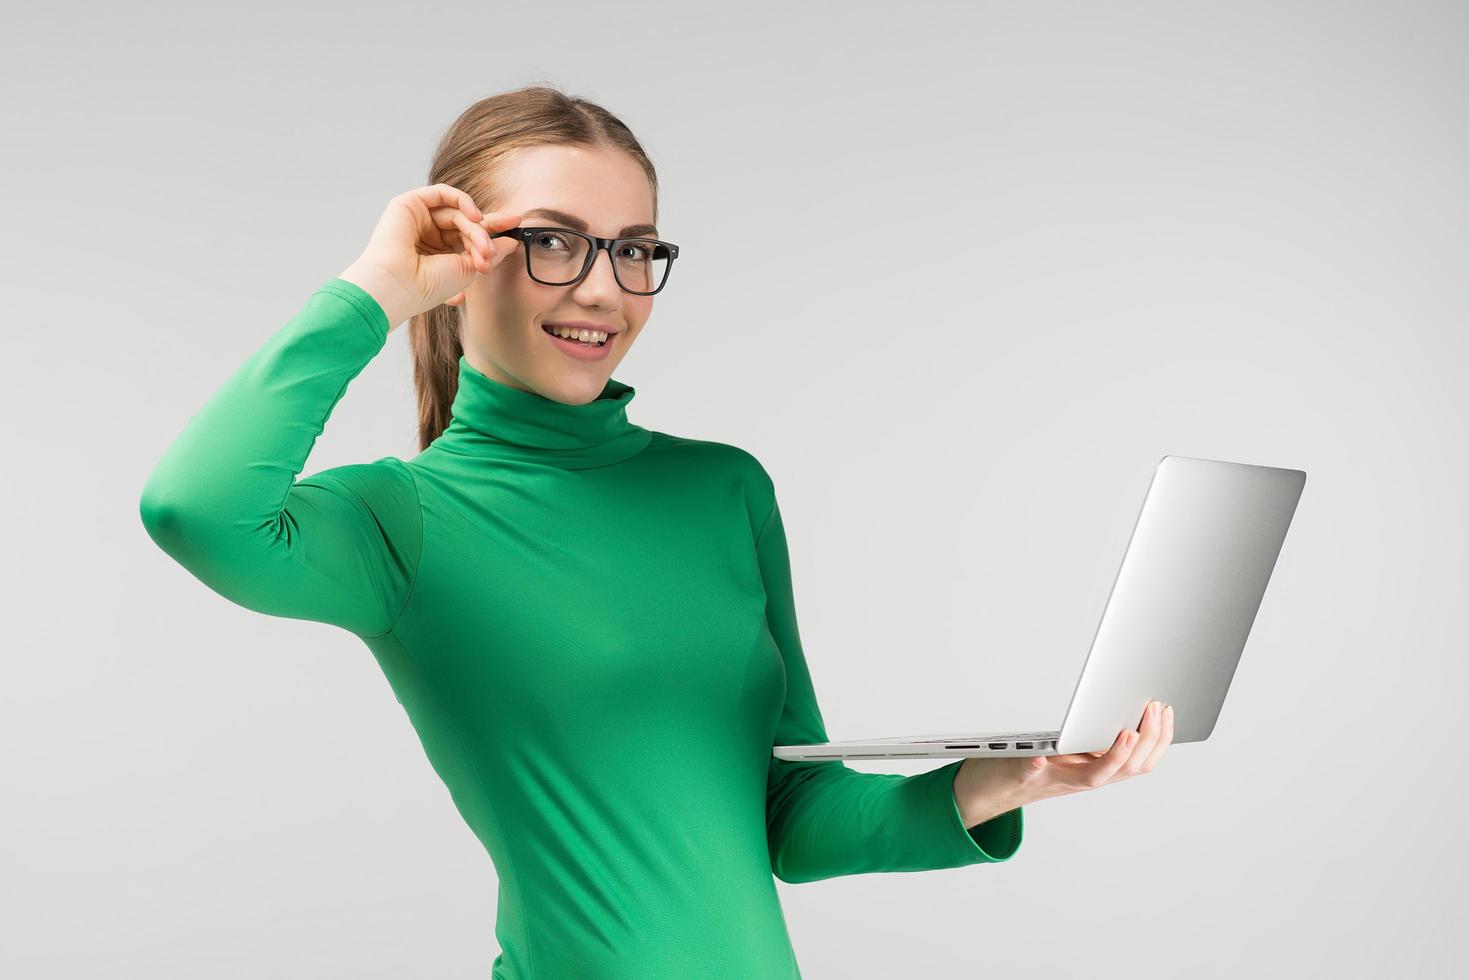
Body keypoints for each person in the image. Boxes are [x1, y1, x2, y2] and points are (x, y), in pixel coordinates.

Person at [138, 84, 1173, 978]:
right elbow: (196, 505)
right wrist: (377, 292)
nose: (600, 288)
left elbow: (793, 813)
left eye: (632, 249)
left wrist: (1010, 779)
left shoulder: (722, 489)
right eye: (549, 241)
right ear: (462, 253)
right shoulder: (404, 522)